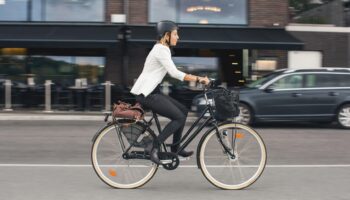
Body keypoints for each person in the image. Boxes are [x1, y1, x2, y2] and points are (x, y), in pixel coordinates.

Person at [130, 20, 210, 164]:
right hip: (147, 94)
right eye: (175, 34)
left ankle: (176, 150)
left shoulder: (160, 49)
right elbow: (174, 73)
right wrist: (199, 79)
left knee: (183, 111)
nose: (177, 37)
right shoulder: (161, 49)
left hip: (152, 92)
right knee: (178, 117)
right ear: (166, 36)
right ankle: (153, 148)